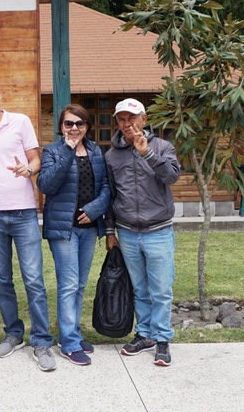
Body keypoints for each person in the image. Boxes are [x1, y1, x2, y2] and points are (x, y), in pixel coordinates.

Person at [0, 76, 56, 372]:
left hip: (23, 215)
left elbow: (36, 159)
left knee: (33, 279)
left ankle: (41, 340)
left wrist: (28, 169)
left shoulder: (20, 122)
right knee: (2, 279)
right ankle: (14, 332)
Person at [104, 98, 181, 367]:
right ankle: (145, 334)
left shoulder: (163, 147)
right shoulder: (111, 155)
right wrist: (110, 231)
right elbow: (112, 197)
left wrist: (147, 153)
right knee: (139, 289)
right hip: (126, 232)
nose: (127, 124)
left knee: (160, 289)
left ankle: (162, 339)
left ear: (144, 119)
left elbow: (171, 177)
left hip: (158, 230)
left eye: (132, 118)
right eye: (121, 119)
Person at [37, 104, 110, 367]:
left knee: (79, 285)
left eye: (79, 124)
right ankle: (68, 342)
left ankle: (74, 334)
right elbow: (46, 185)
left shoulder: (95, 151)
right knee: (68, 284)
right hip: (63, 229)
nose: (74, 128)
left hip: (89, 227)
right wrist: (67, 151)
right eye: (69, 124)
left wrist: (94, 209)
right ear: (61, 127)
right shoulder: (53, 152)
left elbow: (105, 187)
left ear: (87, 126)